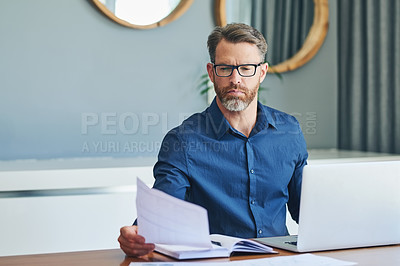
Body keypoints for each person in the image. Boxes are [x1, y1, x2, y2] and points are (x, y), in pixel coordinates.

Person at [118, 23, 308, 257]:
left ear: (262, 72)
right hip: (216, 261)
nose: (235, 79)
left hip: (280, 260)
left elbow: (307, 212)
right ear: (211, 72)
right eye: (225, 68)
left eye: (246, 68)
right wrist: (136, 234)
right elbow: (160, 218)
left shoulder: (289, 131)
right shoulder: (183, 141)